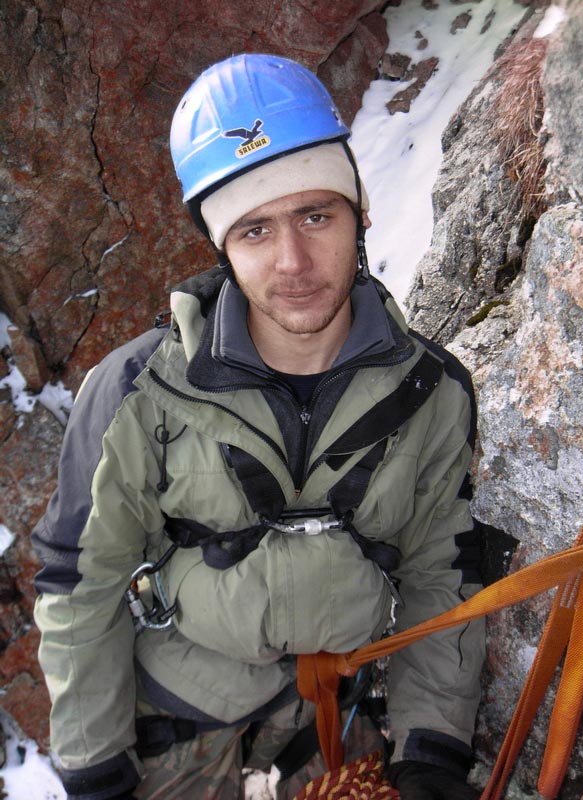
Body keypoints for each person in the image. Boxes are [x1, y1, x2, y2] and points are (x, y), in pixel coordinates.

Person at [32, 53, 485, 800]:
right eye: (254, 231)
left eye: (317, 215)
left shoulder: (432, 391)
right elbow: (83, 581)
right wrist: (94, 769)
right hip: (176, 722)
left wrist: (430, 750)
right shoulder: (136, 392)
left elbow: (443, 569)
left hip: (342, 706)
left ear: (360, 213)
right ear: (221, 246)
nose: (293, 261)